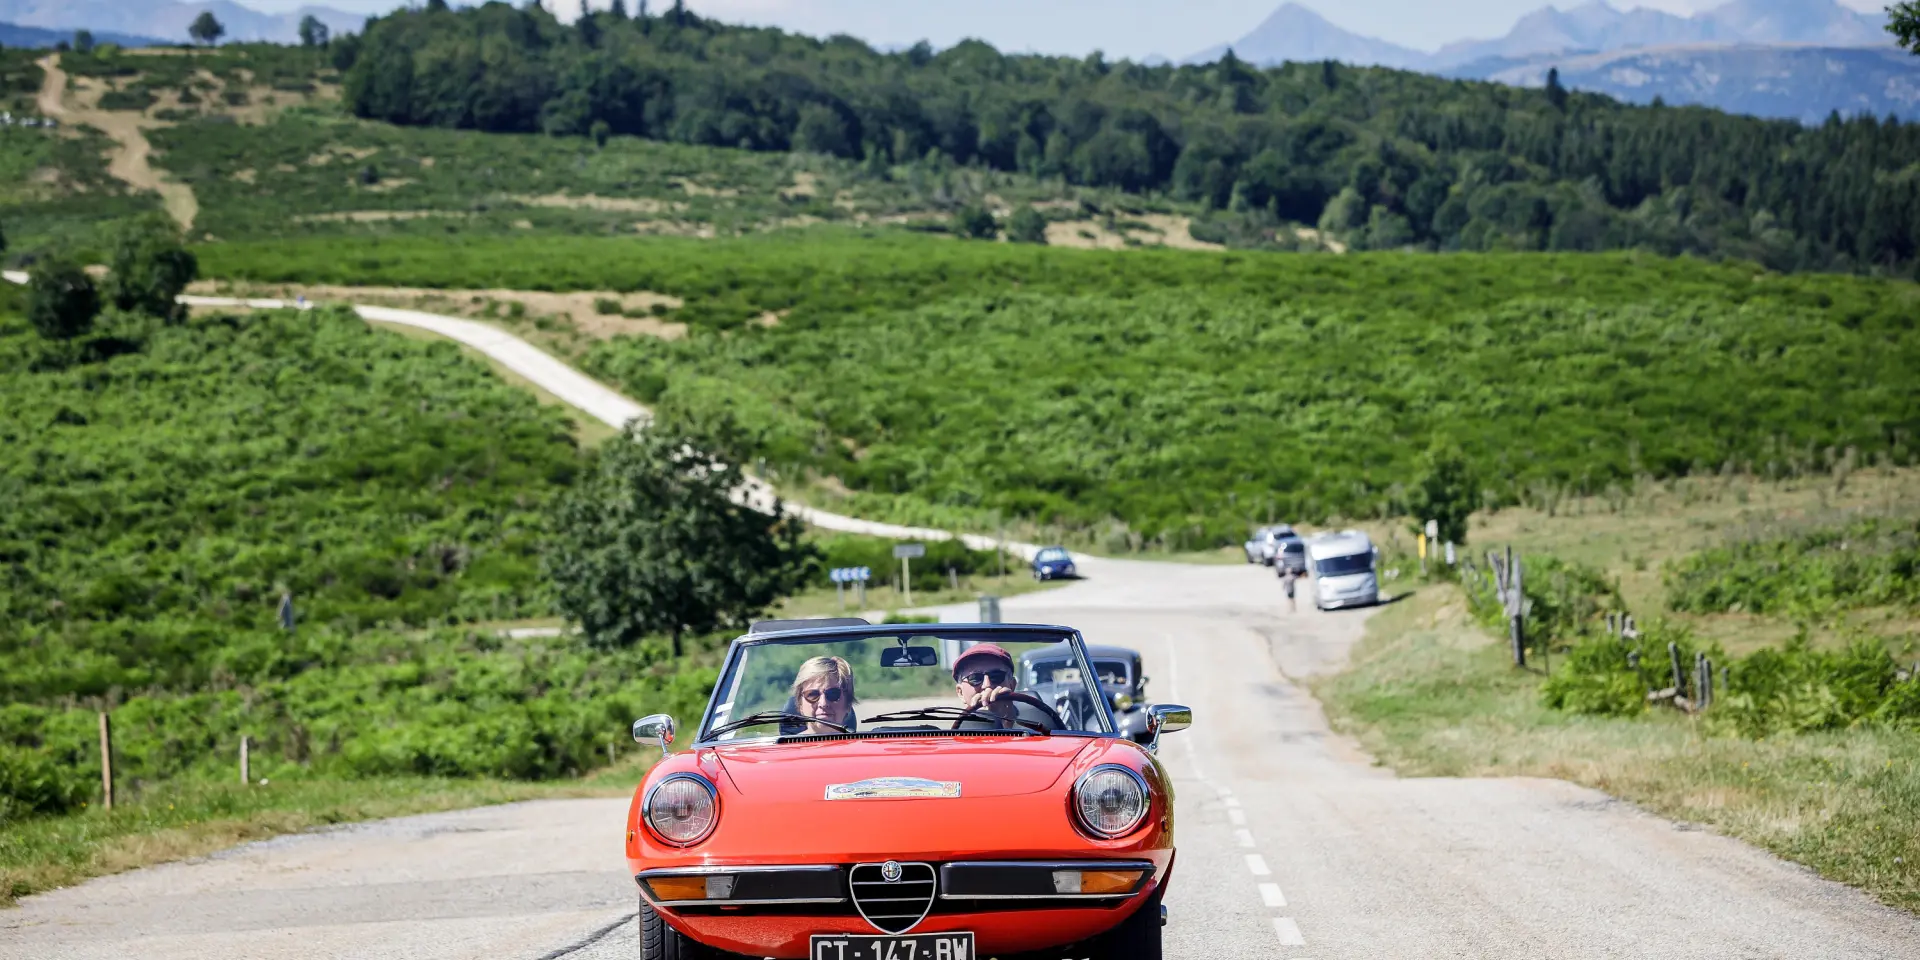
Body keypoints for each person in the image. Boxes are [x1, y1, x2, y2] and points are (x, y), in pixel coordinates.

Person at [952, 643, 1021, 727]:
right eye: (975, 678)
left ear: (1012, 685)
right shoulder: (950, 738)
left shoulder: (1034, 730)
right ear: (960, 693)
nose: (987, 685)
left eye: (996, 676)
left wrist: (1008, 721)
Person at [790, 655, 856, 734]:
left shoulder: (863, 746)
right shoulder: (786, 746)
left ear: (848, 704)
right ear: (800, 704)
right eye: (812, 695)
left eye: (833, 694)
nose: (823, 703)